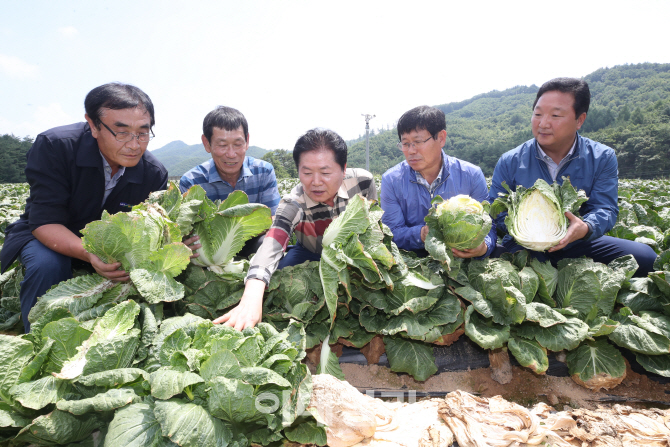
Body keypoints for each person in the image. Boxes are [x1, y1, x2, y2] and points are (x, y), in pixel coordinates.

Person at [0, 83, 179, 332]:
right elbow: (45, 222)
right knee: (49, 264)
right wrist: (88, 253)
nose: (134, 144)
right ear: (93, 125)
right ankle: (37, 338)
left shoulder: (153, 172)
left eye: (143, 133)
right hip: (48, 233)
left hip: (109, 248)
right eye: (122, 132)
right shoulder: (56, 146)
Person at [489, 77, 657, 276]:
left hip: (578, 242)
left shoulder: (602, 157)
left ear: (579, 120)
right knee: (525, 272)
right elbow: (495, 209)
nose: (543, 123)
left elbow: (606, 208)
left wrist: (585, 227)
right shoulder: (510, 160)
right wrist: (524, 229)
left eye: (555, 115)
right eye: (538, 114)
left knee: (645, 258)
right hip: (526, 245)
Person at [214, 128, 377, 330]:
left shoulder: (363, 182)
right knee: (279, 278)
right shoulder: (294, 202)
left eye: (325, 172)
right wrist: (252, 294)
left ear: (343, 169)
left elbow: (374, 226)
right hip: (309, 251)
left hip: (353, 253)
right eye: (307, 173)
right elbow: (272, 244)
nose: (315, 182)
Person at [381, 105, 496, 259]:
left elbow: (488, 226)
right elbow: (391, 232)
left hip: (462, 262)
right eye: (405, 143)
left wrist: (484, 247)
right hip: (414, 264)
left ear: (441, 138)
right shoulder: (391, 180)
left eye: (418, 141)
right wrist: (421, 234)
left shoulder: (471, 175)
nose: (411, 151)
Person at [179, 106, 280, 214]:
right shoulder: (191, 183)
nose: (231, 154)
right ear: (207, 143)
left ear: (247, 141)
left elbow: (274, 220)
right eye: (222, 145)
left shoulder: (263, 172)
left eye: (237, 144)